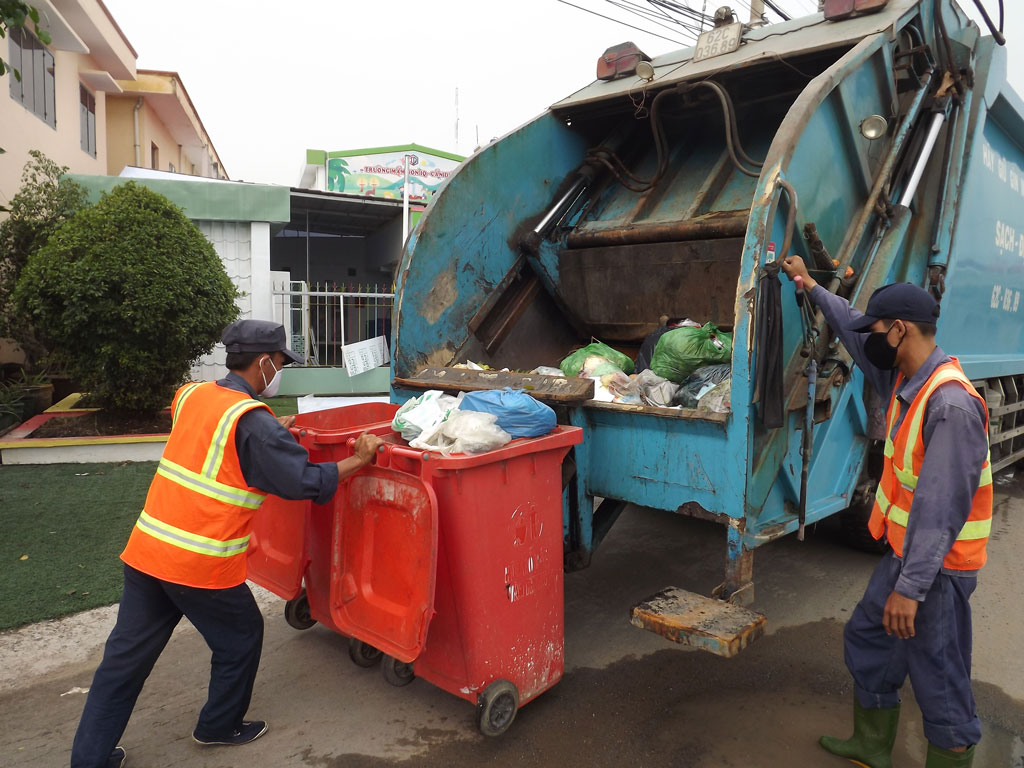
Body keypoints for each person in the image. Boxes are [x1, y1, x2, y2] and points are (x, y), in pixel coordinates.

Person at [70, 319, 385, 768]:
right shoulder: (253, 424)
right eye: (279, 362)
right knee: (241, 637)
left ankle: (89, 759)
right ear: (263, 362)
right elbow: (303, 482)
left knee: (123, 661)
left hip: (147, 551)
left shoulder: (192, 394)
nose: (281, 369)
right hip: (199, 564)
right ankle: (218, 725)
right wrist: (360, 457)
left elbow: (219, 432)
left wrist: (269, 427)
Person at [780, 257, 992, 768]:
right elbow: (853, 332)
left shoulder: (949, 406)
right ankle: (873, 746)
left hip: (938, 569)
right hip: (907, 556)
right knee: (870, 637)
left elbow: (940, 512)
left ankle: (950, 754)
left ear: (898, 331)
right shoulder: (905, 377)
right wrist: (811, 287)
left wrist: (910, 590)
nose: (868, 338)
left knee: (940, 680)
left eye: (877, 329)